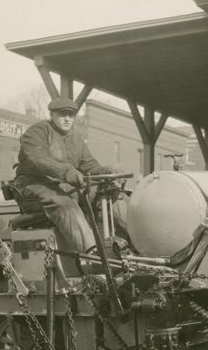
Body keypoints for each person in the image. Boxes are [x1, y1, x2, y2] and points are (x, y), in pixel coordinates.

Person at [12, 96, 124, 254]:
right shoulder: (37, 132)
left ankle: (135, 246)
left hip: (63, 187)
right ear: (52, 115)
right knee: (66, 205)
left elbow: (89, 165)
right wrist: (67, 171)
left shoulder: (76, 139)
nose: (67, 119)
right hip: (33, 185)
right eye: (62, 114)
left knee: (110, 194)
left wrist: (106, 171)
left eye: (71, 115)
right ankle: (94, 255)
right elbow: (39, 159)